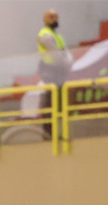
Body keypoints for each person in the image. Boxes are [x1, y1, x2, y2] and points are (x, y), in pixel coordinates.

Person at [37, 8, 72, 138]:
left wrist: (67, 63)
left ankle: (56, 132)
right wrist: (66, 63)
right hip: (50, 70)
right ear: (45, 20)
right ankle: (48, 133)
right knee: (50, 102)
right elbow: (56, 55)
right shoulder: (45, 35)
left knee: (59, 102)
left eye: (56, 17)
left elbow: (66, 52)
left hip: (59, 71)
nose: (54, 19)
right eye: (51, 17)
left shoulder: (58, 36)